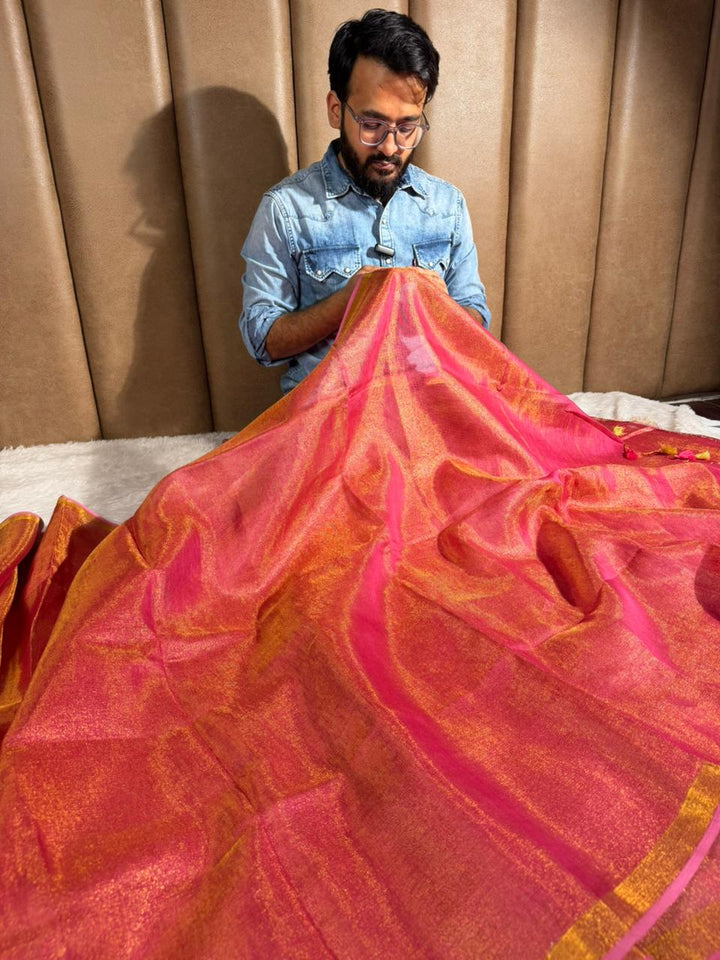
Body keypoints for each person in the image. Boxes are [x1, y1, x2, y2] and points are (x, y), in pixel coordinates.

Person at [239, 8, 491, 394]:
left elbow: (476, 319)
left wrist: (435, 309)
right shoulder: (285, 210)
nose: (390, 147)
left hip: (428, 407)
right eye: (372, 125)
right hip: (328, 414)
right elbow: (263, 339)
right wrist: (351, 300)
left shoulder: (447, 205)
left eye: (407, 126)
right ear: (336, 109)